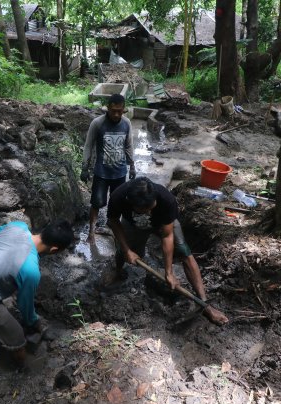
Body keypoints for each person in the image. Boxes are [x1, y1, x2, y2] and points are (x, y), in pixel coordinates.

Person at [105, 177, 229, 325]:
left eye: (152, 207)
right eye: (145, 210)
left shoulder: (166, 199)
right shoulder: (118, 197)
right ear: (132, 204)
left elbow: (167, 235)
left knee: (184, 251)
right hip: (133, 224)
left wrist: (168, 272)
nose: (149, 212)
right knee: (124, 251)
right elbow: (113, 221)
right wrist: (126, 250)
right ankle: (118, 271)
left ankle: (205, 303)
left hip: (163, 223)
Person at [0, 220, 74, 364]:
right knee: (17, 336)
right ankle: (20, 368)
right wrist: (34, 322)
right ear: (54, 250)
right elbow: (25, 308)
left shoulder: (17, 226)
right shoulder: (31, 270)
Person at [81, 93, 136, 244]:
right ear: (107, 109)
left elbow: (129, 145)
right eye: (113, 111)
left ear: (124, 110)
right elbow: (88, 146)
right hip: (102, 173)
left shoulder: (126, 123)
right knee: (96, 202)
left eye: (120, 111)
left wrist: (132, 166)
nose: (117, 114)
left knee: (118, 202)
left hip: (120, 173)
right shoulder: (97, 123)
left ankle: (111, 226)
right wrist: (84, 167)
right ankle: (91, 232)